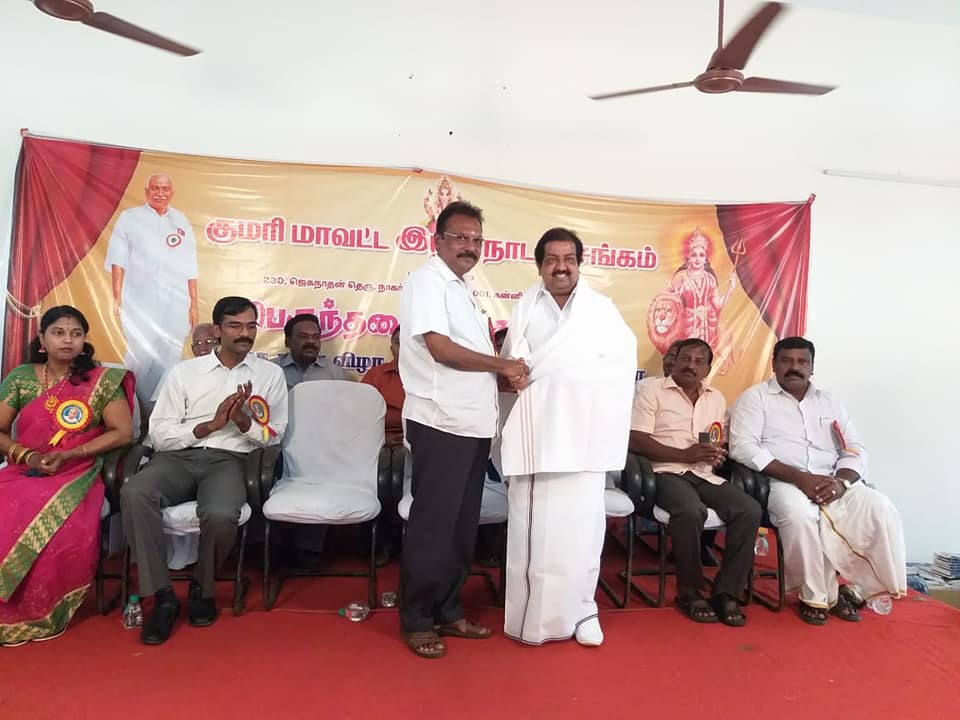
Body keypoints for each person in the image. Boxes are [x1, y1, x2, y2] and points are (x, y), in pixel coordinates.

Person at [398, 200, 528, 659]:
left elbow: (468, 361)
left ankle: (449, 610)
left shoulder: (465, 288)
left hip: (473, 425)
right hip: (441, 422)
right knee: (434, 525)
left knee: (460, 526)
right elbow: (440, 349)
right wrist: (502, 365)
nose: (469, 246)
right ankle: (417, 619)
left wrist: (503, 376)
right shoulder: (426, 282)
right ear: (438, 241)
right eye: (460, 237)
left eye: (476, 239)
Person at [121, 296, 287, 646]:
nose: (244, 333)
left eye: (251, 326)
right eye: (235, 325)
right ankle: (162, 596)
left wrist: (242, 421)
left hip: (230, 460)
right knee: (135, 492)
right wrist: (208, 426)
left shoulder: (269, 375)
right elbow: (160, 434)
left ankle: (203, 586)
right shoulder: (184, 373)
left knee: (222, 513)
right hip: (178, 458)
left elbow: (274, 436)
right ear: (217, 329)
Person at [500, 228, 637, 647]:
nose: (561, 267)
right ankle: (534, 619)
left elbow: (620, 365)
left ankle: (582, 610)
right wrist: (542, 376)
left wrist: (573, 380)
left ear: (580, 263)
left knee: (582, 532)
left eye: (569, 259)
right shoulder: (526, 307)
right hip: (539, 435)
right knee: (536, 534)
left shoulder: (601, 310)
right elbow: (512, 366)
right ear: (539, 266)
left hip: (584, 436)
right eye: (552, 260)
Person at [729, 336, 906, 625]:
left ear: (812, 367)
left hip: (833, 481)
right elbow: (742, 447)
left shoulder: (829, 402)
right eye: (787, 361)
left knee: (881, 506)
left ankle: (860, 589)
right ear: (774, 364)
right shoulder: (756, 398)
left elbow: (855, 449)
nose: (794, 367)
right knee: (799, 516)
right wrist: (799, 478)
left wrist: (841, 483)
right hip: (783, 480)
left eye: (802, 362)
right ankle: (814, 596)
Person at [0, 306, 134, 646]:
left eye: (76, 334)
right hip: (25, 467)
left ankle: (38, 608)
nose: (68, 340)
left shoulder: (100, 381)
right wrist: (28, 455)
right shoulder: (21, 377)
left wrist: (70, 454)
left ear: (84, 340)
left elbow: (122, 433)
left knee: (44, 508)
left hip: (77, 470)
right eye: (58, 332)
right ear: (42, 339)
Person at [630, 338, 761, 626]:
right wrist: (684, 455)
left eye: (699, 362)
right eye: (685, 359)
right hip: (663, 471)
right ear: (674, 361)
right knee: (690, 511)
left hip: (703, 474)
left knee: (749, 510)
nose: (691, 365)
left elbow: (715, 438)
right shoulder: (651, 390)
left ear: (708, 369)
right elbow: (637, 440)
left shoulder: (715, 398)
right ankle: (690, 592)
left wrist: (716, 453)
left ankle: (727, 593)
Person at [104, 173, 199, 405]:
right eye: (155, 188)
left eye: (165, 189)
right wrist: (116, 296)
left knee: (171, 355)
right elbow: (118, 259)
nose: (160, 193)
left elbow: (191, 265)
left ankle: (161, 411)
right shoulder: (130, 218)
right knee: (140, 354)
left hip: (176, 301)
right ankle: (123, 406)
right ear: (146, 191)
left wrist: (193, 304)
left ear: (171, 193)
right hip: (140, 299)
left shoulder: (180, 220)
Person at [667, 227, 735, 346]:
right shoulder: (680, 278)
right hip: (685, 326)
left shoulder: (710, 279)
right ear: (689, 258)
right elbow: (668, 302)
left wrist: (730, 290)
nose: (697, 259)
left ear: (705, 259)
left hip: (706, 327)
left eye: (701, 255)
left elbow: (717, 306)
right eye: (694, 255)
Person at [273, 313, 348, 389]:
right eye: (303, 336)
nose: (311, 341)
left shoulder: (334, 372)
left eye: (316, 336)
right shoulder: (272, 369)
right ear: (288, 342)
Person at [360, 326, 403, 446]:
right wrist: (382, 438)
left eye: (408, 344)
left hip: (417, 441)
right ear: (391, 349)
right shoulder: (376, 375)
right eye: (398, 343)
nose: (403, 349)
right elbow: (360, 414)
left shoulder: (429, 378)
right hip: (376, 439)